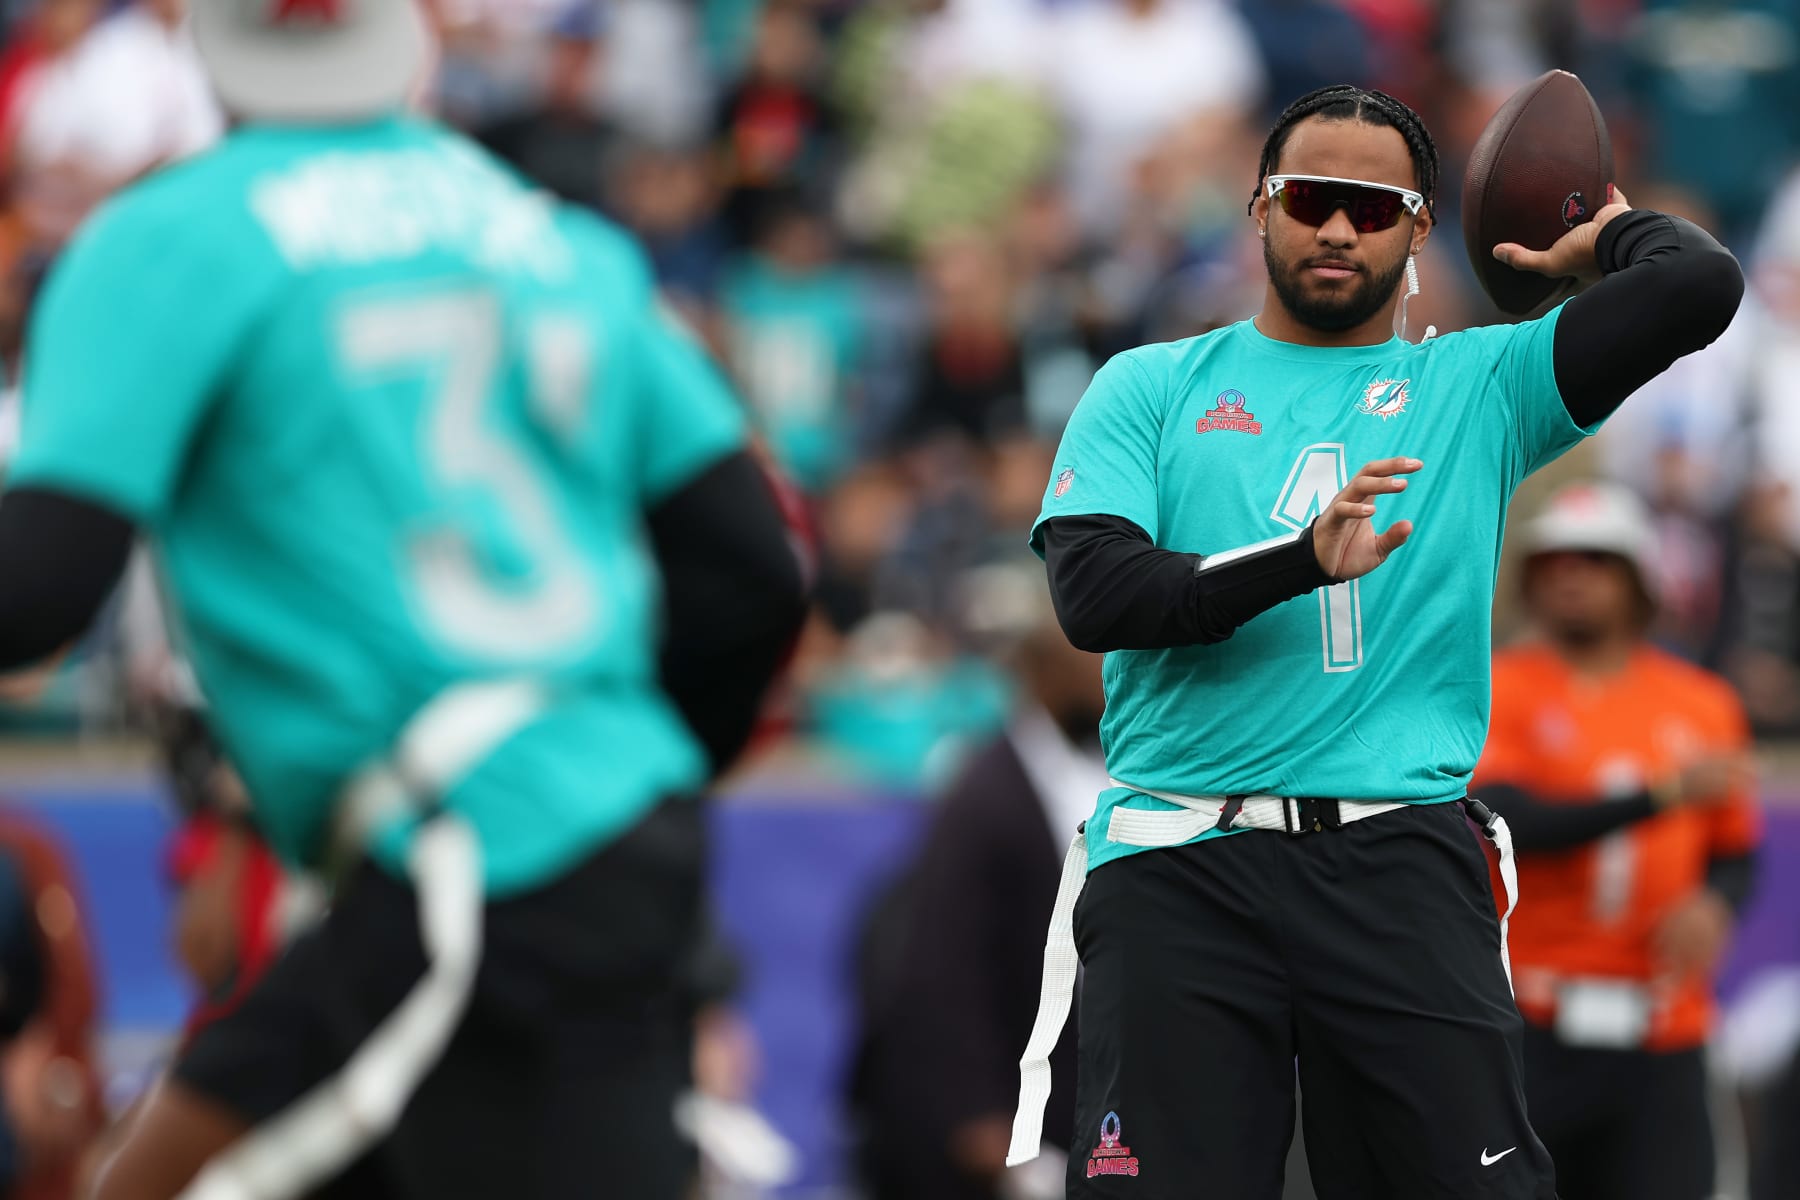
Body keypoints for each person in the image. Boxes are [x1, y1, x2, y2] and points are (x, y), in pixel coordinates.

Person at [0, 3, 807, 1199]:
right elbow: (750, 567)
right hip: (548, 854)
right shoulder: (545, 232)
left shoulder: (171, 235)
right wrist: (603, 768)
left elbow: (36, 591)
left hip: (465, 873)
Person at [1010, 83, 1745, 1199]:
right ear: (1260, 209)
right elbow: (1096, 594)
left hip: (1398, 855)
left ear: (1418, 225)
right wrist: (1298, 562)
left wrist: (1602, 237)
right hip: (1181, 855)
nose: (1339, 228)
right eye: (1311, 198)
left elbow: (1697, 284)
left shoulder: (1480, 383)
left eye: (1374, 204)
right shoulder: (1152, 385)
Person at [1472, 481, 1761, 1200]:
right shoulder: (1498, 686)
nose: (1570, 573)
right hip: (1533, 1023)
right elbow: (1510, 823)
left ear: (1637, 577)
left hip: (1663, 1026)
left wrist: (1716, 906)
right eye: (1553, 559)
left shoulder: (1703, 701)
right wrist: (1659, 796)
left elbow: (1734, 849)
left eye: (1594, 558)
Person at [850, 563, 1103, 1200]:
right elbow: (942, 966)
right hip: (1019, 1122)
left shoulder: (1121, 773)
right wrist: (981, 1120)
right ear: (1040, 672)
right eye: (1096, 657)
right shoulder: (985, 796)